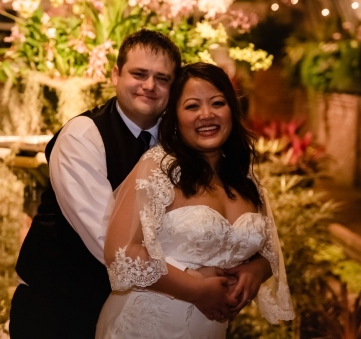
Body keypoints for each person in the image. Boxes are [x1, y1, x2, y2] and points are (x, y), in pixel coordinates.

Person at [10, 30, 273, 338]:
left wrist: (255, 267)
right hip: (60, 309)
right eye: (139, 74)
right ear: (115, 75)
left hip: (174, 312)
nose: (149, 86)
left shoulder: (185, 140)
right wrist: (196, 281)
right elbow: (108, 241)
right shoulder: (84, 136)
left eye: (162, 78)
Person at [96, 62, 295, 338]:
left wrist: (256, 270)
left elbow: (270, 247)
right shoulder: (158, 167)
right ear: (175, 117)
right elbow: (120, 253)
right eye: (192, 106)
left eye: (217, 103)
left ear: (232, 110)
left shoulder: (244, 177)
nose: (206, 115)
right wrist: (196, 290)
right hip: (144, 328)